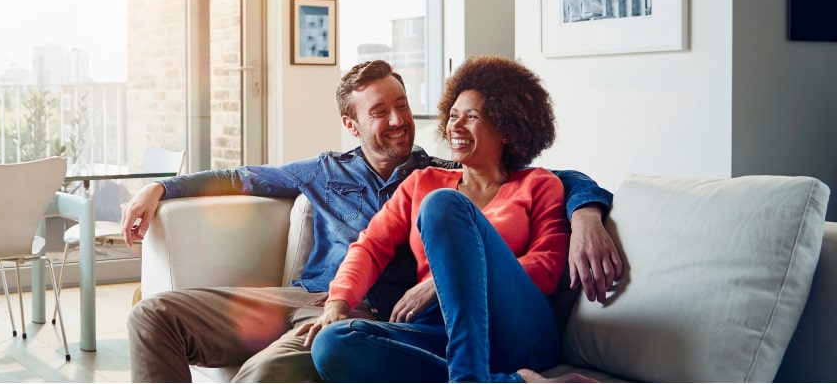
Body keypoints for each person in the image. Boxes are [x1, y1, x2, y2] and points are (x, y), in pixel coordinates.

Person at [123, 59, 621, 382]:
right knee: (151, 315)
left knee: (264, 375)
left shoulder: (441, 174)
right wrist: (161, 187)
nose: (399, 120)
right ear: (352, 123)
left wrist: (589, 211)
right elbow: (244, 177)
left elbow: (557, 179)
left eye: (402, 105)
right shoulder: (334, 173)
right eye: (380, 111)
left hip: (385, 310)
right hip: (312, 297)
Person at [301, 55, 593, 382]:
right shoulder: (422, 181)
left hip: (516, 332)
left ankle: (468, 378)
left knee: (443, 205)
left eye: (471, 117)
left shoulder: (538, 185)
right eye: (453, 115)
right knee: (334, 344)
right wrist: (337, 304)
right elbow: (370, 247)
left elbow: (546, 266)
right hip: (441, 331)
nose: (455, 125)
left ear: (506, 128)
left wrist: (439, 285)